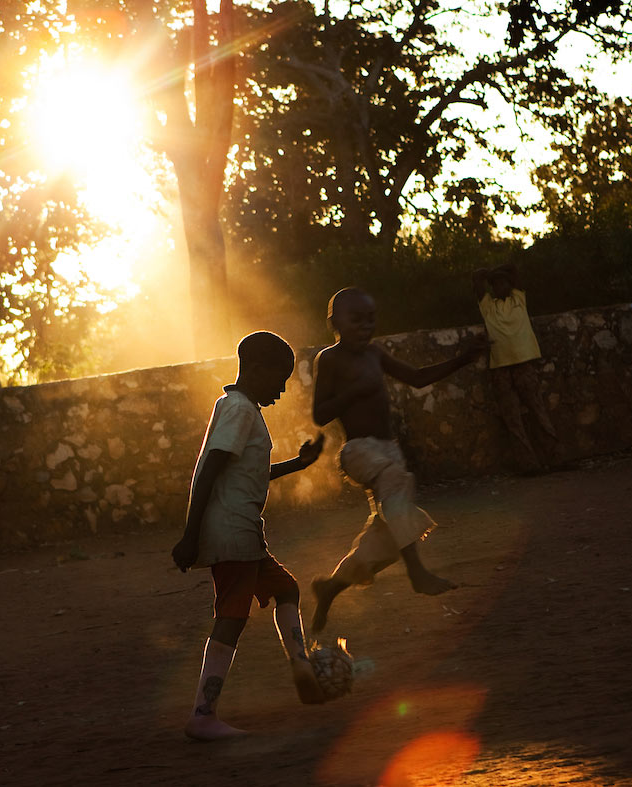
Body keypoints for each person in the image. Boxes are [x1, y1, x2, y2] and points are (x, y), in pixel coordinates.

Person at [171, 331, 326, 741]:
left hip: (241, 533)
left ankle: (301, 666)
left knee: (286, 589)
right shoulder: (240, 409)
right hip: (233, 532)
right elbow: (208, 471)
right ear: (257, 370)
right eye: (280, 378)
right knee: (232, 618)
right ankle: (203, 715)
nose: (282, 389)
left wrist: (298, 463)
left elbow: (247, 473)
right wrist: (190, 534)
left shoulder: (235, 407)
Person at [308, 288, 485, 634]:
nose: (365, 326)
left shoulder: (374, 353)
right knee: (392, 478)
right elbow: (320, 413)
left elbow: (417, 378)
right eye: (355, 319)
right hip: (357, 450)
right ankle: (417, 573)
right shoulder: (329, 359)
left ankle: (330, 587)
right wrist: (355, 392)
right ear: (334, 323)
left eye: (370, 318)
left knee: (385, 541)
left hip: (389, 449)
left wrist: (463, 359)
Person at [472, 263, 561, 472]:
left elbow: (514, 269)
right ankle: (529, 465)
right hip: (501, 369)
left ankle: (556, 458)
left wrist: (496, 271)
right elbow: (476, 278)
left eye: (503, 283)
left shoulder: (518, 299)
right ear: (491, 289)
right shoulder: (488, 306)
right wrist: (487, 275)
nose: (499, 287)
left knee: (538, 412)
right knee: (513, 419)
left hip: (524, 365)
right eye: (495, 285)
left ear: (509, 285)